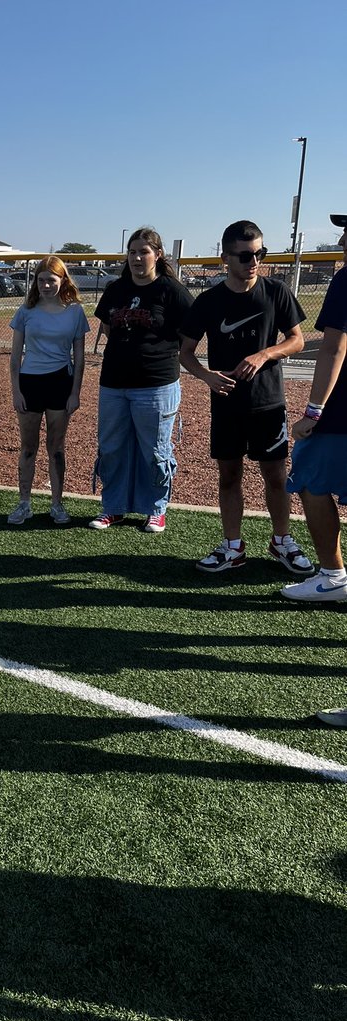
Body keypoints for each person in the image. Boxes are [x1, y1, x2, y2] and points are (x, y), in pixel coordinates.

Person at [179, 219, 312, 575]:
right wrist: (207, 376)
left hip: (268, 401)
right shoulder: (209, 301)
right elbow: (186, 352)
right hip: (227, 404)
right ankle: (233, 546)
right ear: (225, 258)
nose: (253, 261)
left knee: (275, 474)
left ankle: (281, 540)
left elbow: (297, 340)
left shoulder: (276, 291)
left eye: (259, 253)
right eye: (245, 255)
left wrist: (265, 354)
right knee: (229, 474)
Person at [281, 213, 347, 727]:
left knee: (306, 477)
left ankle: (332, 574)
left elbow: (336, 345)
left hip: (341, 417)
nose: (343, 237)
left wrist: (313, 411)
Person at [89, 228, 193, 533]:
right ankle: (114, 507)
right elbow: (108, 328)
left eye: (144, 252)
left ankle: (156, 509)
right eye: (132, 252)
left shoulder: (171, 291)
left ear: (157, 255)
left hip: (156, 383)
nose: (137, 257)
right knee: (112, 447)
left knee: (155, 449)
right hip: (114, 383)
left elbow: (191, 331)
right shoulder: (115, 289)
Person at [7, 256, 90, 526]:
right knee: (28, 447)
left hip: (60, 384)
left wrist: (75, 393)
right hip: (30, 384)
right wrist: (16, 391)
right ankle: (24, 504)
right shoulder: (26, 310)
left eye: (51, 280)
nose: (45, 285)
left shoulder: (75, 311)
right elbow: (15, 356)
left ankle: (56, 504)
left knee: (56, 448)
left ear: (62, 280)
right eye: (41, 280)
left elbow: (80, 357)